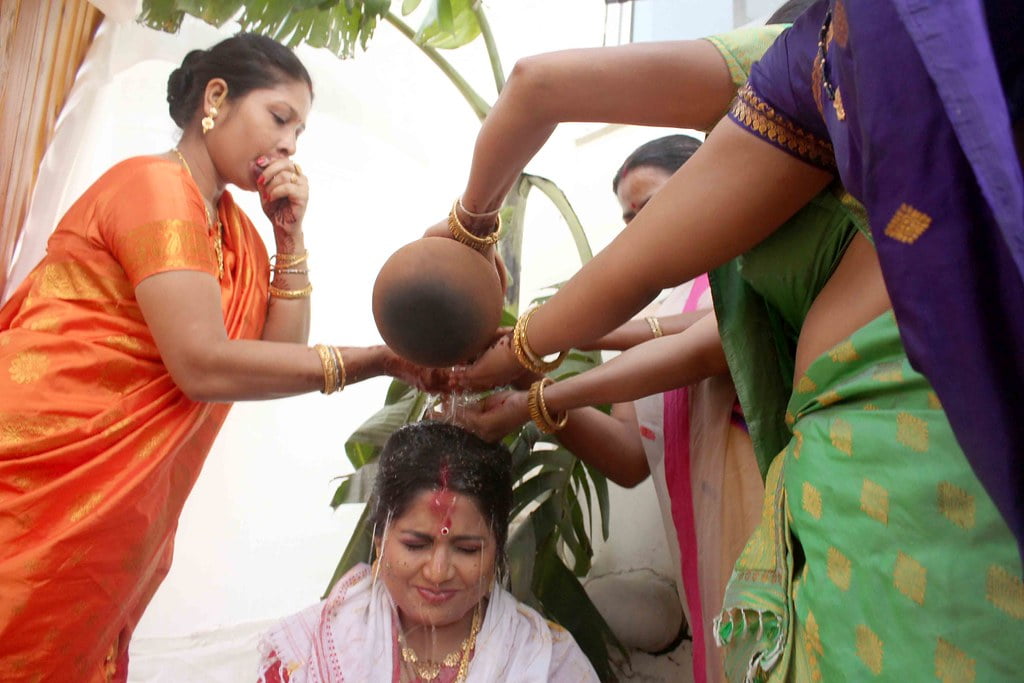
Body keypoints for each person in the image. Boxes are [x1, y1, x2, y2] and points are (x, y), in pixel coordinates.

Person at [435, 0, 1023, 679]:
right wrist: (525, 373)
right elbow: (642, 322)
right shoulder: (819, 59)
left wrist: (470, 238)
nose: (638, 224)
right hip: (830, 473)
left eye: (649, 205)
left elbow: (693, 334)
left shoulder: (848, 54)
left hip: (931, 444)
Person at [0, 33, 445, 681]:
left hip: (118, 503)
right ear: (216, 99)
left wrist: (288, 236)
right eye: (279, 116)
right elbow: (203, 364)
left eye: (300, 130)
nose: (291, 143)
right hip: (39, 468)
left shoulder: (235, 231)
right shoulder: (154, 188)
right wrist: (378, 359)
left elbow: (273, 358)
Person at [449, 133, 765, 683]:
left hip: (772, 526)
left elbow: (717, 340)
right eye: (628, 218)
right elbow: (628, 460)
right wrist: (531, 390)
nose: (639, 229)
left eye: (652, 206)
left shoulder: (748, 263)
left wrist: (583, 332)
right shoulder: (658, 306)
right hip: (707, 562)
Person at [256, 421, 598, 682]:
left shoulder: (546, 663)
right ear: (379, 539)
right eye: (416, 545)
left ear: (497, 548)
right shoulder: (307, 655)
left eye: (466, 549)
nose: (438, 572)